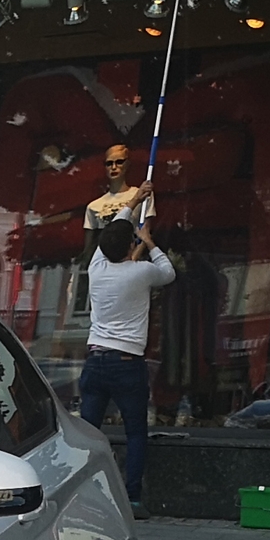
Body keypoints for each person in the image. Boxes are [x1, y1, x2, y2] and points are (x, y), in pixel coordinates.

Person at [79, 213, 173, 513]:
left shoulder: (96, 268)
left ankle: (80, 494)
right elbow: (168, 273)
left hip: (95, 360)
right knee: (135, 432)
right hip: (127, 361)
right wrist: (149, 241)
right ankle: (132, 498)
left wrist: (132, 203)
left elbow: (111, 235)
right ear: (130, 245)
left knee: (87, 435)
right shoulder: (142, 272)